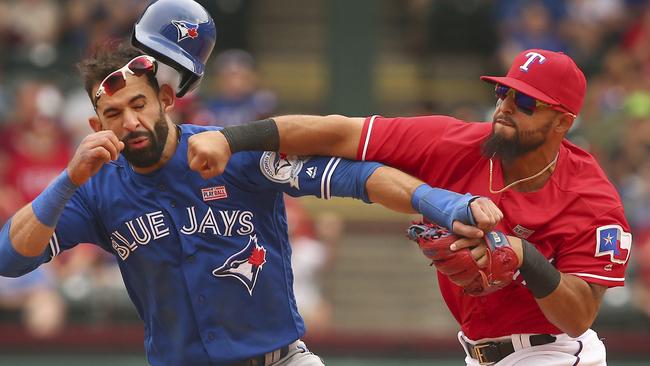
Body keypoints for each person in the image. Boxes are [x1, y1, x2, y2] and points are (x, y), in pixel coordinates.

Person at [0, 39, 505, 365]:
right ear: (96, 126)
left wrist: (444, 204)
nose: (129, 122)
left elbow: (358, 177)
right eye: (112, 113)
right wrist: (67, 178)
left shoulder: (228, 149)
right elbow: (10, 258)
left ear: (167, 102)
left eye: (139, 104)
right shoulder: (93, 190)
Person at [190, 49, 632, 365]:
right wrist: (231, 138)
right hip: (480, 352)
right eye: (503, 93)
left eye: (527, 102)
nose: (506, 107)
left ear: (562, 122)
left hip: (553, 352)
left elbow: (579, 317)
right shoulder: (455, 143)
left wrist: (524, 257)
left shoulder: (590, 198)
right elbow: (338, 133)